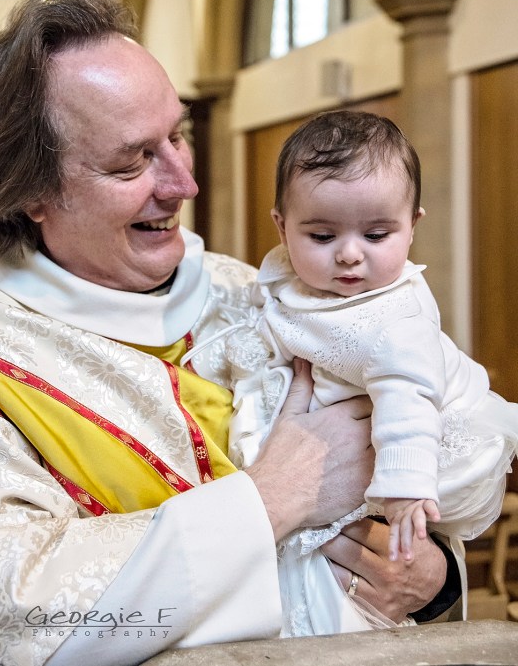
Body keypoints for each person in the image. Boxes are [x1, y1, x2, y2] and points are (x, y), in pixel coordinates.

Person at [0, 0, 455, 666]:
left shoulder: (267, 292)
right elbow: (7, 611)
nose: (184, 183)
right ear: (31, 192)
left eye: (176, 136)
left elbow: (432, 432)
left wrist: (433, 574)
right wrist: (270, 500)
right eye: (133, 161)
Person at [207, 110, 518, 636]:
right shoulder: (286, 281)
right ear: (282, 227)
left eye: (376, 234)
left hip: (412, 448)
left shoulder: (397, 320)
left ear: (413, 226)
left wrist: (403, 483)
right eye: (321, 235)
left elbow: (409, 397)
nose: (350, 255)